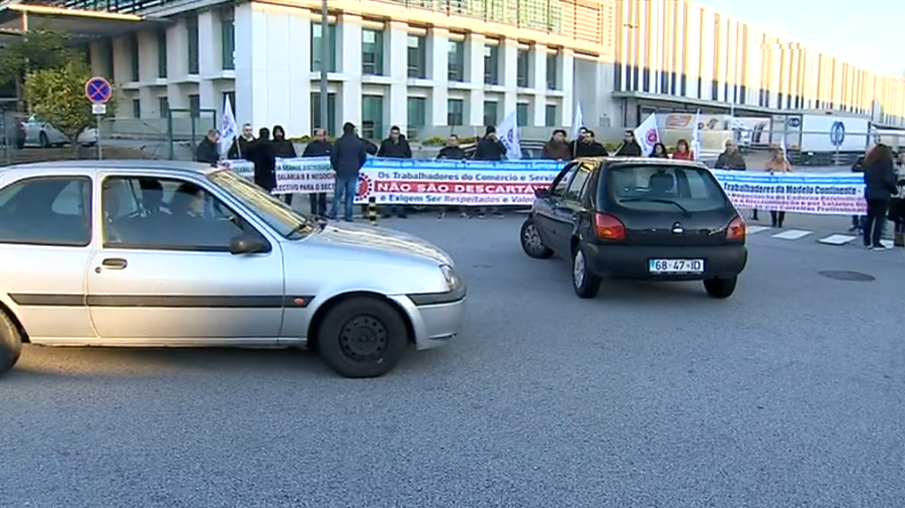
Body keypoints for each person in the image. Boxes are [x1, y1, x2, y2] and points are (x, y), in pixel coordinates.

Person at [862, 143, 899, 249]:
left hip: (870, 192)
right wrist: (894, 190)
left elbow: (865, 177)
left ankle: (867, 241)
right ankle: (876, 242)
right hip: (882, 194)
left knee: (869, 217)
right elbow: (888, 179)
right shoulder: (886, 162)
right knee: (880, 219)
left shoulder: (869, 161)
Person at [329, 122, 368, 222]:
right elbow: (363, 157)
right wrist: (357, 166)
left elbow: (333, 156)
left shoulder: (339, 142)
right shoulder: (358, 143)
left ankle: (334, 213)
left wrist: (336, 167)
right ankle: (348, 215)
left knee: (338, 195)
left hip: (341, 170)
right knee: (350, 195)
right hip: (353, 171)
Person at [377, 126, 412, 218]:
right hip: (388, 170)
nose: (394, 135)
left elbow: (409, 155)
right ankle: (387, 211)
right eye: (393, 133)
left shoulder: (404, 143)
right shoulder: (385, 143)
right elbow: (380, 155)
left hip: (401, 170)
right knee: (388, 190)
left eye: (396, 134)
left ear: (399, 134)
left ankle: (401, 211)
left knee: (400, 190)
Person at [472, 126, 508, 218]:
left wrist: (497, 141)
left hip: (496, 170)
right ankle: (482, 210)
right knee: (483, 190)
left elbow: (504, 151)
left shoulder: (497, 142)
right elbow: (478, 155)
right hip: (484, 170)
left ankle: (495, 209)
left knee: (496, 190)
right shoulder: (482, 142)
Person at [303, 128, 333, 218]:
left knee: (323, 194)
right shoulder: (311, 146)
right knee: (313, 194)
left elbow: (333, 157)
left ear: (324, 136)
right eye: (318, 135)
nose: (319, 137)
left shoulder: (329, 146)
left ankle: (322, 212)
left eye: (321, 135)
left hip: (324, 174)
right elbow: (304, 157)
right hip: (313, 174)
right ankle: (313, 212)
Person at [436, 134, 467, 219]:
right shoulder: (443, 151)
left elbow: (466, 161)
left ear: (457, 141)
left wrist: (464, 161)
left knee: (461, 194)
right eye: (450, 140)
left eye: (453, 140)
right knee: (443, 193)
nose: (451, 142)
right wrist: (440, 159)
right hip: (446, 176)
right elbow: (437, 161)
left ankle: (463, 212)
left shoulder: (461, 151)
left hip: (458, 176)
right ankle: (442, 212)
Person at [762, 148, 791, 228]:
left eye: (782, 154)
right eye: (779, 154)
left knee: (782, 205)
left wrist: (786, 173)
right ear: (775, 155)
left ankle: (780, 221)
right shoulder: (770, 163)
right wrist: (770, 172)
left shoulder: (785, 163)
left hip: (782, 189)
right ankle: (774, 220)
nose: (780, 156)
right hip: (773, 188)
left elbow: (791, 173)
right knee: (773, 205)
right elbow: (764, 173)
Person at [271, 125, 297, 206]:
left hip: (287, 173)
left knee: (288, 193)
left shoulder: (288, 143)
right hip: (276, 174)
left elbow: (293, 156)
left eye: (280, 132)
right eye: (277, 132)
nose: (278, 134)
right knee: (276, 193)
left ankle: (288, 206)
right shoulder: (271, 144)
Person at [246, 127, 277, 195]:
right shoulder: (269, 144)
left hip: (257, 170)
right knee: (267, 192)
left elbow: (248, 155)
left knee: (259, 191)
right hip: (267, 172)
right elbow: (271, 158)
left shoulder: (254, 144)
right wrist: (273, 166)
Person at [850, 154, 867, 232]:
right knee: (859, 208)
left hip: (860, 190)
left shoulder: (863, 168)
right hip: (860, 190)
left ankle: (857, 224)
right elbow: (854, 168)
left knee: (859, 208)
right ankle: (859, 225)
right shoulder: (865, 168)